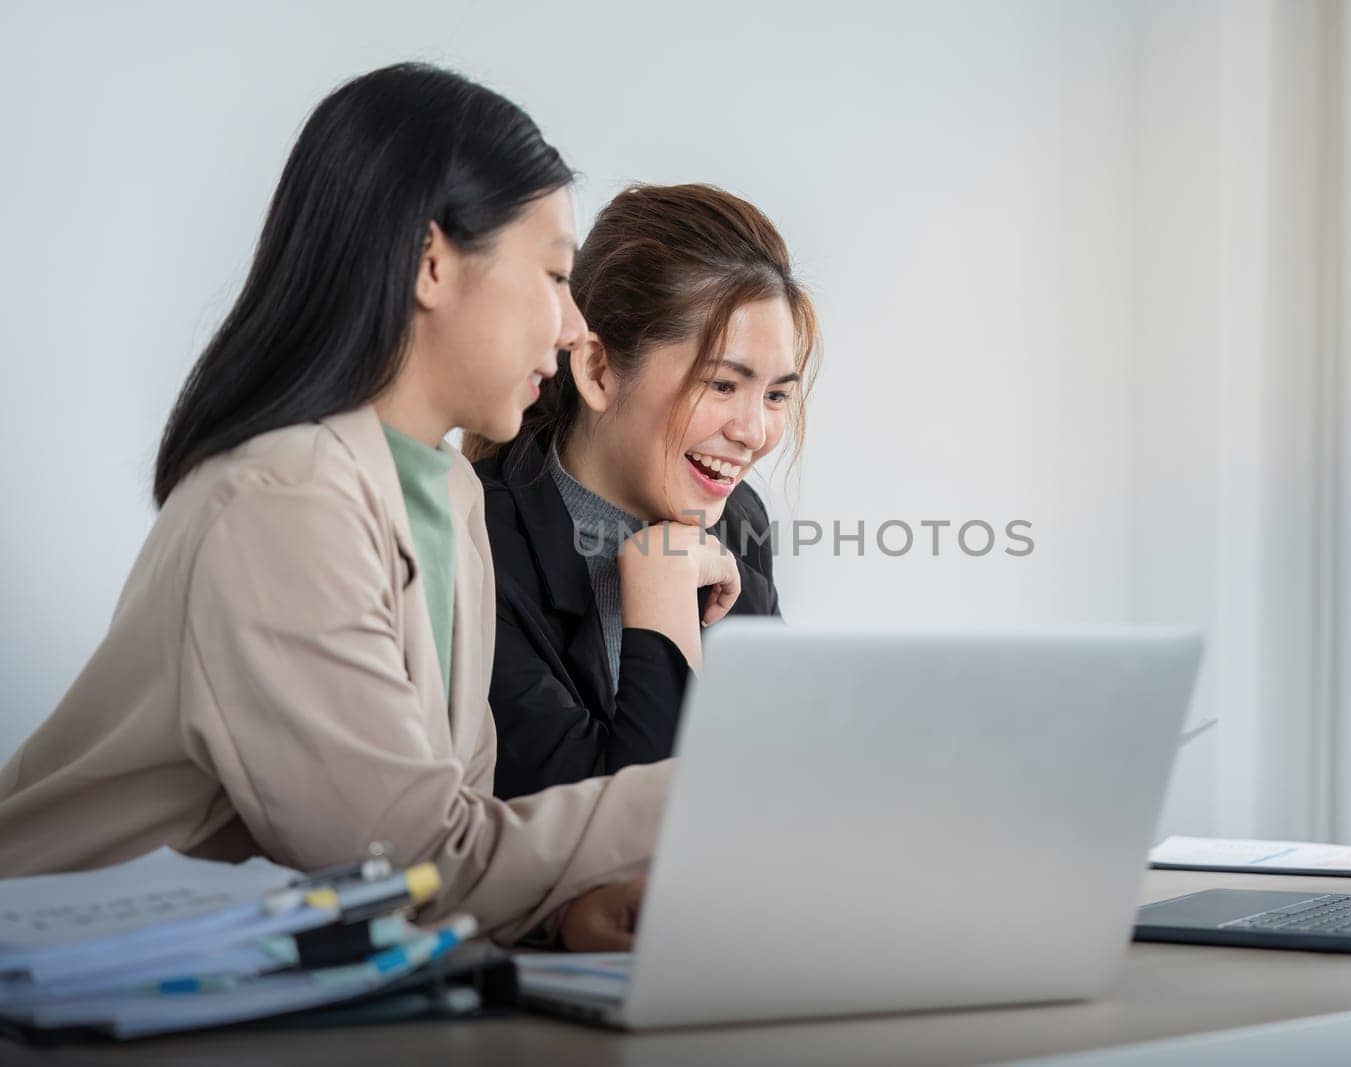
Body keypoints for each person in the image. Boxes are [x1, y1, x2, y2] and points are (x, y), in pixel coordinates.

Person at [0, 64, 659, 950]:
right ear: (431, 262)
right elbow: (412, 860)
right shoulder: (282, 500)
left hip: (244, 979)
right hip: (65, 983)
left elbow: (437, 835)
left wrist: (560, 916)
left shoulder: (452, 492)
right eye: (553, 275)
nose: (575, 325)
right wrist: (708, 792)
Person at [468, 183, 819, 798]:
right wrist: (659, 606)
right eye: (721, 385)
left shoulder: (737, 518)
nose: (754, 433)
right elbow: (617, 853)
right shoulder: (481, 545)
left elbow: (777, 783)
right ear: (598, 369)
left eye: (775, 394)